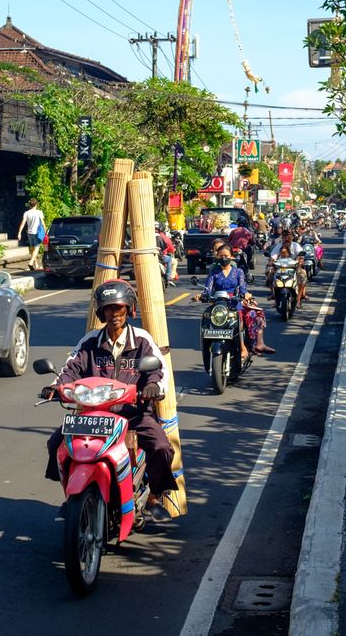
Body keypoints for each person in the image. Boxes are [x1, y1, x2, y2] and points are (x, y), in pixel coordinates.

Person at [41, 280, 177, 519]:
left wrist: (154, 386)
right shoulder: (90, 342)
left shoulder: (142, 340)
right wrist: (55, 387)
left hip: (132, 414)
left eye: (119, 308)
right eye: (108, 309)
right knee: (55, 443)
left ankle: (155, 495)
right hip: (92, 416)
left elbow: (159, 369)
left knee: (161, 447)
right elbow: (70, 368)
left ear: (129, 309)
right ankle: (72, 496)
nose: (114, 314)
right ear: (101, 312)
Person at [195, 243, 274, 355]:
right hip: (218, 303)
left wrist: (246, 295)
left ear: (232, 256)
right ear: (217, 257)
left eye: (226, 255)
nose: (224, 258)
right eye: (221, 255)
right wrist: (201, 295)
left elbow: (242, 289)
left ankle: (246, 347)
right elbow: (208, 289)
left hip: (235, 302)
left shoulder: (238, 272)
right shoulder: (214, 272)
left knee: (247, 316)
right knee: (208, 318)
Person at [16, 198, 46, 271]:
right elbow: (42, 223)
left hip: (29, 233)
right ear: (36, 204)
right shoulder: (39, 212)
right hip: (37, 233)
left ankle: (36, 265)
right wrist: (45, 232)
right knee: (36, 248)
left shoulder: (26, 213)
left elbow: (23, 223)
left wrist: (19, 233)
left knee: (32, 249)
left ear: (29, 205)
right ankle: (31, 262)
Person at [155, 221, 178, 286]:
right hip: (160, 256)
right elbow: (166, 246)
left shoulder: (149, 236)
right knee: (172, 261)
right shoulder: (161, 237)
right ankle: (169, 277)